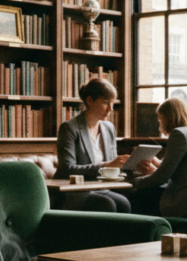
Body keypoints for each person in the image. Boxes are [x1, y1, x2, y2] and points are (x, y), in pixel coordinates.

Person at [131, 97, 187, 218]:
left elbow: (162, 177)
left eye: (160, 119)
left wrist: (133, 182)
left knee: (139, 195)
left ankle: (146, 235)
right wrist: (156, 162)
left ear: (167, 118)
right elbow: (181, 167)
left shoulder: (179, 134)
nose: (160, 124)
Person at [54, 78, 131, 213]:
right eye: (106, 102)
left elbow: (113, 166)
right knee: (107, 205)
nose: (111, 109)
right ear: (89, 101)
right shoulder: (70, 128)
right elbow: (67, 169)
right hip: (76, 192)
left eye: (112, 103)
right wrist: (105, 166)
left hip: (101, 188)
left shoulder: (108, 128)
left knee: (124, 204)